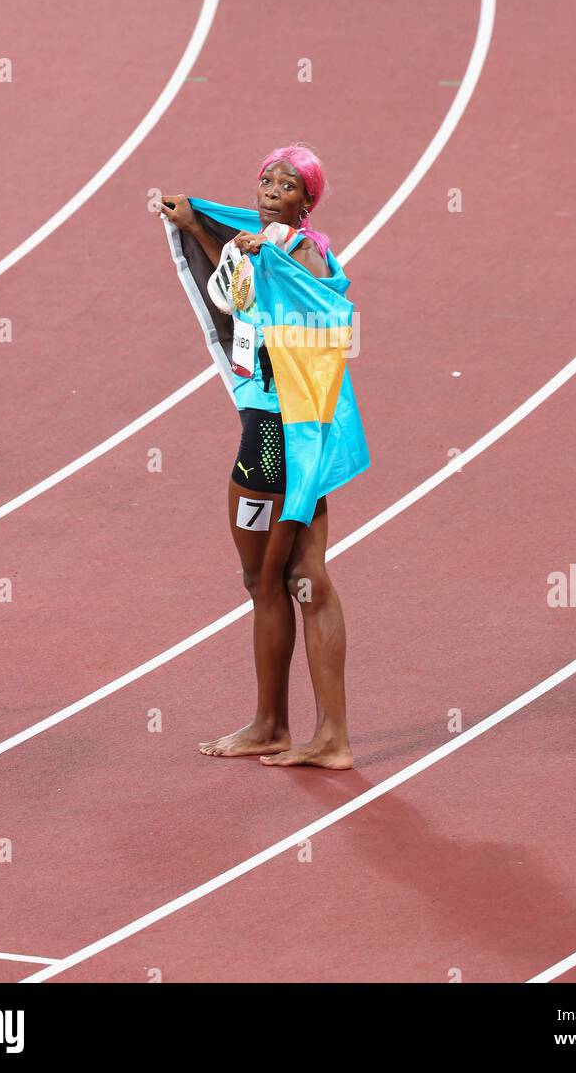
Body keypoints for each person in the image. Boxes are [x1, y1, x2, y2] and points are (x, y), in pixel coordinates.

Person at [159, 144, 367, 769]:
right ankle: (323, 734)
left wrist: (266, 254)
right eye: (266, 177)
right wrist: (197, 223)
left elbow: (320, 303)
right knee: (305, 579)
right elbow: (238, 297)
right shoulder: (263, 244)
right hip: (301, 435)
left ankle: (274, 725)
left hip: (274, 441)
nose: (272, 185)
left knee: (267, 581)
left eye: (289, 182)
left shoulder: (295, 251)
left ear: (308, 202)